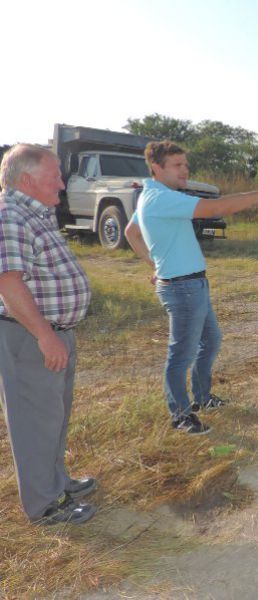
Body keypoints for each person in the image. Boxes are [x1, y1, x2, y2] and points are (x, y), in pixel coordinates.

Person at [124, 141, 258, 435]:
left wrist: (156, 266)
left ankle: (201, 398)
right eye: (177, 165)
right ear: (157, 167)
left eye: (185, 164)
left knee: (211, 340)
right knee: (182, 354)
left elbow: (131, 232)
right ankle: (181, 415)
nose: (185, 170)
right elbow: (216, 207)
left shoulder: (152, 194)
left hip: (190, 283)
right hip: (184, 288)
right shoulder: (160, 199)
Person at [0, 145, 96, 525]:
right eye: (54, 175)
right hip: (30, 337)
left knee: (53, 415)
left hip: (52, 334)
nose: (62, 182)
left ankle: (56, 482)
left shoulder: (34, 213)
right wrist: (44, 335)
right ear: (26, 179)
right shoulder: (10, 215)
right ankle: (44, 505)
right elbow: (8, 283)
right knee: (35, 419)